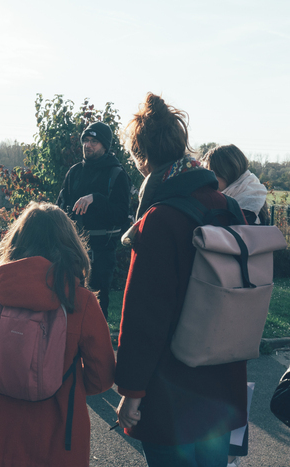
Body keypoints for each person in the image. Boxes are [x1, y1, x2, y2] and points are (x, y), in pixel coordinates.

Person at [115, 93, 247, 467]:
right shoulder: (228, 206)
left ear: (142, 159)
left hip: (170, 389)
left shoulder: (160, 218)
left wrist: (132, 390)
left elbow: (144, 314)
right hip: (222, 381)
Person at [0, 201, 115, 466]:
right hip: (58, 436)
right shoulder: (81, 301)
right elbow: (101, 377)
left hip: (0, 432)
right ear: (70, 243)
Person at [202, 143, 268, 467]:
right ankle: (230, 452)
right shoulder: (253, 196)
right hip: (249, 297)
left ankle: (227, 453)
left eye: (215, 174)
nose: (211, 182)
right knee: (233, 376)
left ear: (228, 173)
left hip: (234, 298)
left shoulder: (242, 205)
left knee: (225, 378)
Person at [57, 121, 131, 319]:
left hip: (102, 251)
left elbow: (121, 215)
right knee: (68, 303)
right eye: (86, 141)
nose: (87, 145)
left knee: (96, 308)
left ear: (105, 146)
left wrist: (96, 199)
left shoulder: (116, 174)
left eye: (94, 142)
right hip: (72, 248)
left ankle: (96, 348)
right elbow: (61, 206)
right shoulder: (74, 172)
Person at [203, 144, 269, 225]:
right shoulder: (252, 194)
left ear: (227, 172)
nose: (209, 182)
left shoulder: (245, 207)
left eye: (213, 175)